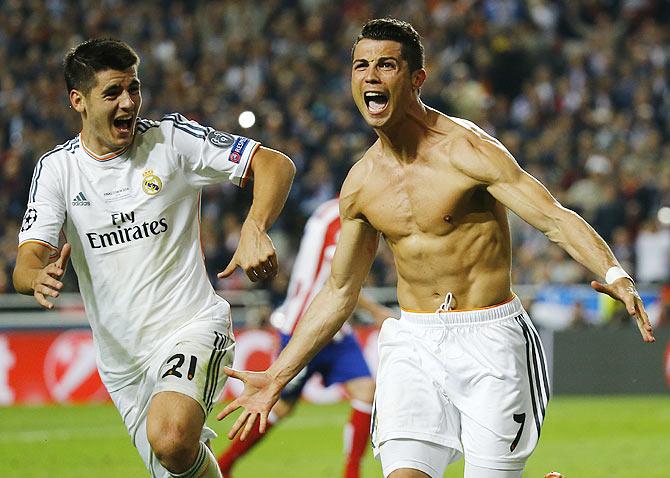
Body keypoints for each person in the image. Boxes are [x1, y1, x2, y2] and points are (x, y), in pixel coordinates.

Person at [217, 18, 655, 478]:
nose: (370, 76)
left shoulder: (468, 150)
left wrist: (614, 275)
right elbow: (339, 290)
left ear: (416, 79)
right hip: (414, 343)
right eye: (360, 66)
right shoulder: (362, 184)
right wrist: (277, 375)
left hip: (491, 340)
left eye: (386, 65)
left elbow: (553, 218)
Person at [12, 38, 295, 478]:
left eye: (134, 88)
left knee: (171, 436)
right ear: (78, 101)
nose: (128, 103)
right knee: (177, 462)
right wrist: (36, 275)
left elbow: (274, 164)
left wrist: (254, 226)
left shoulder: (171, 140)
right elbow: (26, 260)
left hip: (192, 327)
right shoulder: (57, 171)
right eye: (112, 93)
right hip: (124, 367)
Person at [217, 197, 395, 478]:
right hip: (307, 325)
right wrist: (376, 312)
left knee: (365, 390)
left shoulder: (329, 212)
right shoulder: (343, 222)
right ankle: (223, 465)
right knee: (279, 405)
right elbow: (339, 281)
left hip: (335, 328)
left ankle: (351, 473)